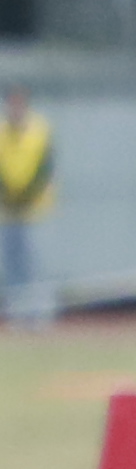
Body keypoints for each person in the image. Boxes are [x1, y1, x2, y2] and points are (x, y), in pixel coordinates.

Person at [0, 81, 55, 327]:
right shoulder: (2, 131)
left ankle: (40, 313)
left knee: (34, 262)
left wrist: (26, 193)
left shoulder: (39, 129)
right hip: (8, 207)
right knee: (12, 263)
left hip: (33, 208)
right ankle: (18, 313)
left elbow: (45, 167)